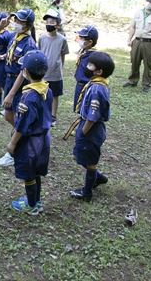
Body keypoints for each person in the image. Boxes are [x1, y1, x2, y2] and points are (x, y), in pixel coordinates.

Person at [6, 50, 52, 215]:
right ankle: (36, 200)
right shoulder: (46, 89)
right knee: (36, 171)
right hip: (43, 139)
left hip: (30, 142)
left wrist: (12, 143)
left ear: (25, 72)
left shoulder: (29, 97)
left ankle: (32, 205)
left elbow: (23, 125)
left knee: (28, 174)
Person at [67, 52, 115, 202]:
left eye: (89, 65)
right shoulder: (96, 83)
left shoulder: (96, 89)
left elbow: (93, 116)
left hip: (91, 129)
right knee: (80, 155)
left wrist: (82, 132)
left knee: (90, 161)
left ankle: (87, 192)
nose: (86, 67)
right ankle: (98, 178)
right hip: (87, 125)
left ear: (99, 71)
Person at [0, 9, 38, 167]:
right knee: (8, 115)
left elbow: (24, 72)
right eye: (15, 19)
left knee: (17, 117)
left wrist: (11, 94)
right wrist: (0, 26)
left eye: (19, 21)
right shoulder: (14, 36)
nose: (15, 23)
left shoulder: (29, 44)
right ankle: (26, 135)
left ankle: (12, 152)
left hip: (20, 84)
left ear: (27, 25)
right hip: (9, 80)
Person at [123, 0, 151, 92]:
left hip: (149, 43)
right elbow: (132, 26)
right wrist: (129, 39)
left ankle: (146, 85)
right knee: (134, 62)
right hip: (137, 41)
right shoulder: (138, 12)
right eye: (148, 0)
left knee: (148, 64)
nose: (149, 3)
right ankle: (132, 80)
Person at [38, 12, 69, 126]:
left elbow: (63, 55)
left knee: (55, 95)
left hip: (56, 73)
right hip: (43, 73)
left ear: (57, 25)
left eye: (52, 22)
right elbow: (39, 52)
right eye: (47, 22)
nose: (48, 24)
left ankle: (53, 116)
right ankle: (42, 114)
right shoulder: (41, 37)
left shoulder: (62, 39)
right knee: (41, 93)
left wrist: (60, 67)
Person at [73, 26, 99, 111]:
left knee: (84, 109)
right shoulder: (83, 51)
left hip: (86, 87)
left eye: (82, 38)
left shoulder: (93, 57)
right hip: (79, 85)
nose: (79, 39)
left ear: (90, 42)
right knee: (79, 108)